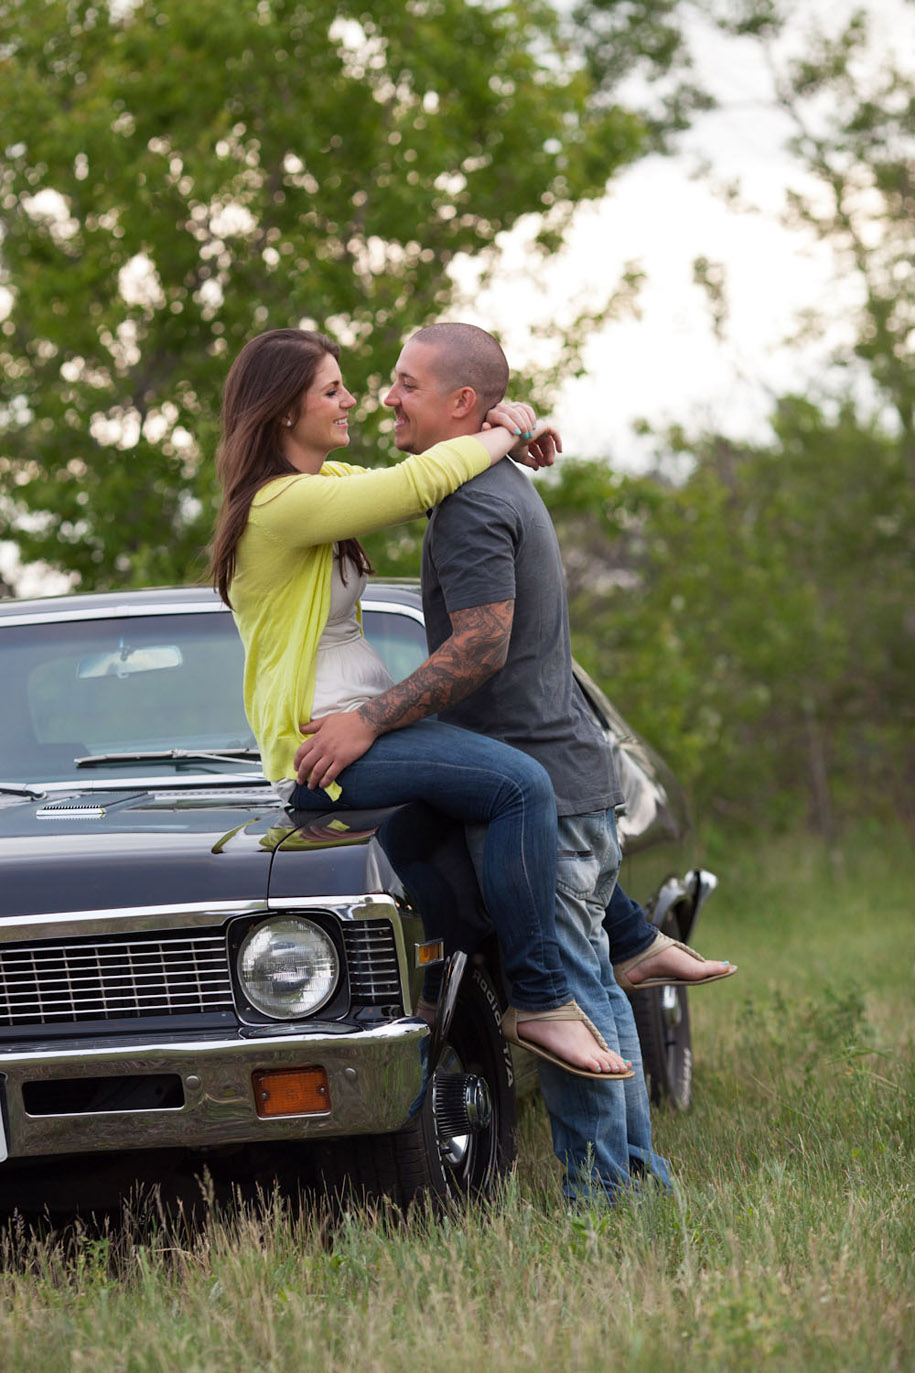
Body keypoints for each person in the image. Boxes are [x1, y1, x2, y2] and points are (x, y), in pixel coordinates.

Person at [295, 323, 733, 1204]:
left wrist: (371, 720)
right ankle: (636, 1179)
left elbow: (481, 645)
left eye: (406, 383)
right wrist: (510, 424)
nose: (386, 397)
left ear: (461, 402)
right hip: (573, 777)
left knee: (564, 1003)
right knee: (594, 993)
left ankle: (603, 1192)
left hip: (543, 781)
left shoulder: (470, 507)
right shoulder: (489, 484)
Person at [209, 325, 633, 1082]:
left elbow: (435, 466)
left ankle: (625, 942)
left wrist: (512, 423)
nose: (356, 399)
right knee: (519, 784)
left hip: (357, 730)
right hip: (322, 743)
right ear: (281, 411)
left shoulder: (327, 485)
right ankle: (538, 1001)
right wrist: (507, 430)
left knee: (505, 805)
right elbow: (419, 483)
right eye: (331, 390)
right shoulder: (280, 505)